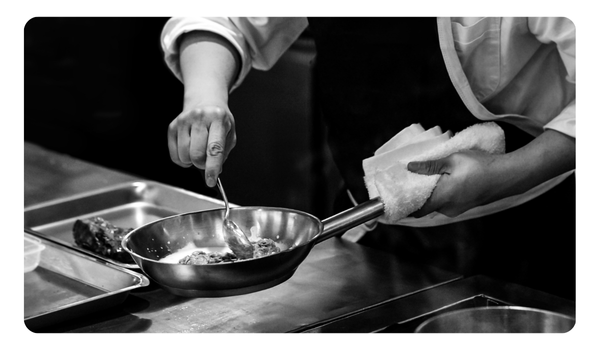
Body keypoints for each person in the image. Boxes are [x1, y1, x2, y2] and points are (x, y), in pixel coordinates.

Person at [160, 17, 576, 299]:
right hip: (375, 230)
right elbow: (223, 18)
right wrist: (205, 97)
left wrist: (507, 173)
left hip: (524, 229)